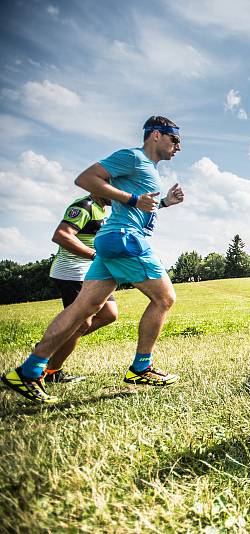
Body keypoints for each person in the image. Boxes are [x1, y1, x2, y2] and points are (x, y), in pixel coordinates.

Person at [2, 116, 185, 403]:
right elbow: (86, 179)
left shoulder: (146, 168)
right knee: (164, 298)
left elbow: (135, 206)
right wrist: (132, 199)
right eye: (176, 140)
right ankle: (141, 367)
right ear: (157, 135)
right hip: (125, 238)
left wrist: (163, 204)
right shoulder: (133, 157)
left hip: (113, 238)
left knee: (82, 310)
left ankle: (29, 370)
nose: (179, 147)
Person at [44, 193, 119, 383]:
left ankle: (53, 343)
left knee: (109, 314)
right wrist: (94, 255)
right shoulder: (84, 206)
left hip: (92, 272)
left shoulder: (102, 209)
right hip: (72, 272)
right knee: (81, 323)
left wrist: (165, 202)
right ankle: (51, 370)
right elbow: (61, 235)